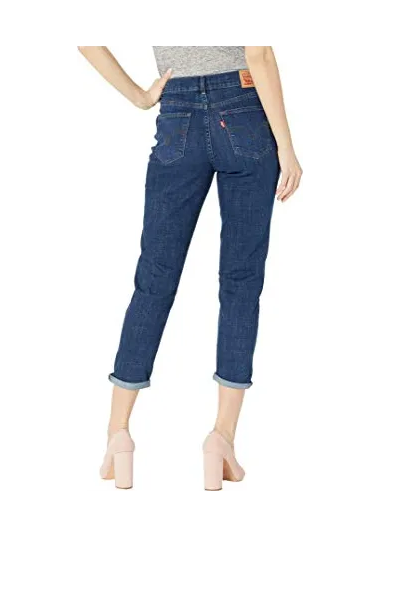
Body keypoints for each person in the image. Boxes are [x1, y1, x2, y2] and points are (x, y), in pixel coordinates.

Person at [78, 42, 303, 492]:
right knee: (240, 282)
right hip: (244, 108)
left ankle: (118, 435)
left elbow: (85, 40)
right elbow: (258, 53)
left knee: (154, 278)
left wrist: (141, 96)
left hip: (177, 110)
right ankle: (221, 440)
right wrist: (287, 146)